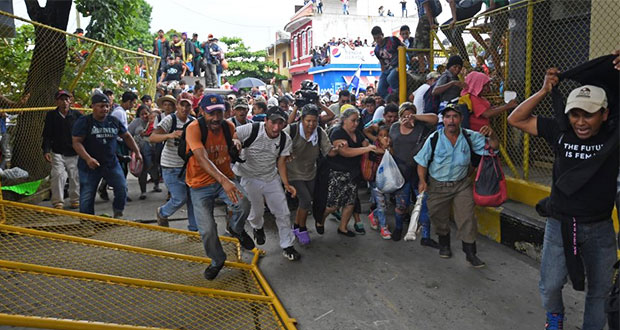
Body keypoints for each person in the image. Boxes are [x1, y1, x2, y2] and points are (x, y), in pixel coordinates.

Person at [507, 67, 619, 330]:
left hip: (600, 229)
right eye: (575, 115)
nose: (580, 122)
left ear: (604, 114)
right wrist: (544, 90)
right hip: (559, 225)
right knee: (550, 284)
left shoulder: (613, 137)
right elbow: (516, 119)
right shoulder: (560, 130)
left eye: (589, 115)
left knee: (600, 291)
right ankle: (555, 316)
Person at [415, 104, 498, 267]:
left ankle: (470, 253)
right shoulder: (434, 138)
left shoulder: (469, 136)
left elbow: (493, 148)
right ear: (443, 120)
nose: (451, 120)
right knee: (438, 216)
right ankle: (444, 243)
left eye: (454, 116)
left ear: (460, 119)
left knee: (467, 218)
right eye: (447, 117)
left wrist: (492, 134)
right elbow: (422, 162)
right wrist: (422, 181)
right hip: (438, 186)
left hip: (461, 185)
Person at [185, 94, 254, 280]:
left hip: (225, 179)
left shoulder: (228, 126)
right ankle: (217, 260)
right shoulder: (193, 129)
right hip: (200, 185)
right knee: (207, 229)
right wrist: (224, 181)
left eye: (219, 113)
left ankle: (236, 229)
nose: (216, 118)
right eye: (211, 113)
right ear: (201, 112)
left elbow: (234, 138)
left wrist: (236, 141)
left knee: (244, 204)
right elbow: (201, 158)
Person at [234, 106, 301, 261]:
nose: (276, 127)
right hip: (248, 177)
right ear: (265, 120)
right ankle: (257, 227)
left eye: (280, 123)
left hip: (270, 177)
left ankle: (287, 245)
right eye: (273, 123)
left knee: (283, 212)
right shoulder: (250, 129)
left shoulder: (285, 139)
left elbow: (282, 163)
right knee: (256, 212)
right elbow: (234, 133)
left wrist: (286, 184)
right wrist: (236, 140)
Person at [72, 93, 142, 218]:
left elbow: (126, 136)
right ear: (93, 106)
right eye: (101, 106)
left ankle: (118, 213)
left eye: (107, 106)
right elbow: (76, 142)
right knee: (87, 194)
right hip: (89, 166)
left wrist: (136, 152)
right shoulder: (85, 121)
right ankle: (86, 221)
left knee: (121, 188)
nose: (104, 109)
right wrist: (88, 159)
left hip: (111, 163)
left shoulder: (113, 121)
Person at [284, 104, 342, 244]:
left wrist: (338, 148)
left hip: (310, 172)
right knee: (305, 200)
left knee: (305, 202)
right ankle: (302, 229)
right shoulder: (291, 130)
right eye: (308, 120)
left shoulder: (320, 132)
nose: (311, 124)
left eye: (314, 121)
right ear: (302, 119)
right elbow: (277, 143)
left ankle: (296, 226)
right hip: (292, 173)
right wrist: (286, 153)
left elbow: (329, 151)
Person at [321, 106, 377, 236]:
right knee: (333, 205)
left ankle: (343, 228)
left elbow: (365, 142)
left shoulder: (357, 132)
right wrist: (367, 149)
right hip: (338, 173)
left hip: (353, 172)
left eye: (357, 121)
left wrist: (371, 147)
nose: (356, 123)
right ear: (344, 120)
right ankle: (321, 219)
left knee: (350, 202)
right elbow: (345, 152)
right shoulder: (337, 132)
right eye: (353, 120)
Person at [389, 102, 439, 243]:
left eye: (410, 115)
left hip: (419, 171)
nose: (407, 119)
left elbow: (435, 119)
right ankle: (398, 228)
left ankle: (426, 236)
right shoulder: (394, 128)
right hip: (400, 171)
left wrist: (415, 117)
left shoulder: (422, 127)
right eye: (404, 116)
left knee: (423, 204)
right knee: (401, 205)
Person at [150, 96, 198, 232]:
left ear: (191, 107)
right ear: (177, 106)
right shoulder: (170, 119)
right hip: (170, 166)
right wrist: (169, 135)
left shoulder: (193, 122)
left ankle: (194, 230)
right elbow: (153, 138)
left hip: (188, 167)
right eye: (182, 105)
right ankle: (162, 213)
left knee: (193, 199)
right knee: (179, 198)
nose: (184, 108)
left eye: (187, 105)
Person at [42, 90, 82, 209]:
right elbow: (47, 135)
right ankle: (58, 201)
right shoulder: (51, 116)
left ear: (70, 101)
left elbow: (85, 132)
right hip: (57, 151)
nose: (64, 102)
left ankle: (75, 199)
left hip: (74, 152)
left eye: (66, 99)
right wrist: (46, 150)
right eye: (61, 99)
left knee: (75, 175)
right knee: (58, 174)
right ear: (57, 102)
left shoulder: (77, 115)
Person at [441, 0, 484, 67]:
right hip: (469, 9)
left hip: (466, 9)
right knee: (444, 27)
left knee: (455, 33)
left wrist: (454, 19)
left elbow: (451, 2)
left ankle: (465, 59)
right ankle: (456, 46)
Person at [127, 105, 156, 200]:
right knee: (143, 171)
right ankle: (143, 191)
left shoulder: (154, 120)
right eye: (142, 114)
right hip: (140, 150)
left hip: (153, 149)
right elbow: (128, 134)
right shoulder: (136, 122)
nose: (144, 116)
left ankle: (156, 183)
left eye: (146, 114)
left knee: (154, 168)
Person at [371, 26, 402, 99]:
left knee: (390, 78)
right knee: (380, 89)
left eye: (378, 37)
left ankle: (398, 96)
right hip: (387, 69)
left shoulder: (392, 40)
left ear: (382, 34)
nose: (377, 40)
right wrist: (383, 73)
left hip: (397, 66)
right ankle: (389, 100)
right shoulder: (376, 50)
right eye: (375, 38)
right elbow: (382, 63)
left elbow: (403, 47)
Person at [414, 0, 441, 73]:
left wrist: (431, 23)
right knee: (428, 46)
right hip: (430, 19)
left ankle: (422, 68)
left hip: (426, 19)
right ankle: (430, 67)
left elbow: (427, 7)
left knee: (418, 46)